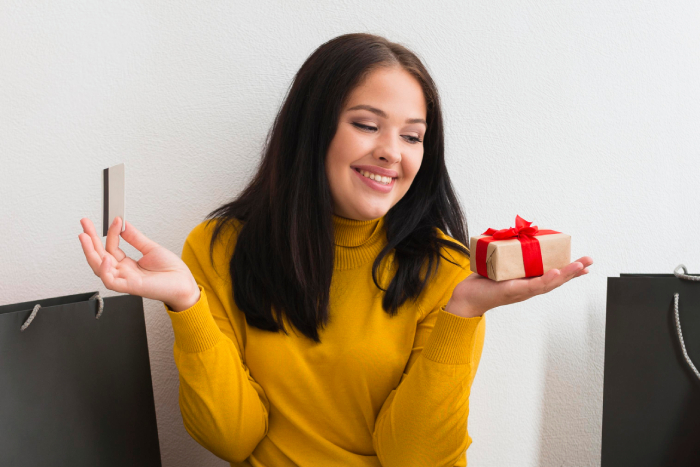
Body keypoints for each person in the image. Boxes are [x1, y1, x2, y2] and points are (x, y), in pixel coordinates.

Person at [78, 33, 593, 467]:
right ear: (312, 129)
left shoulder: (449, 271)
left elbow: (411, 458)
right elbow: (230, 437)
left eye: (412, 136)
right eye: (367, 125)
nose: (391, 151)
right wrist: (187, 305)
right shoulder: (218, 249)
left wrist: (464, 312)